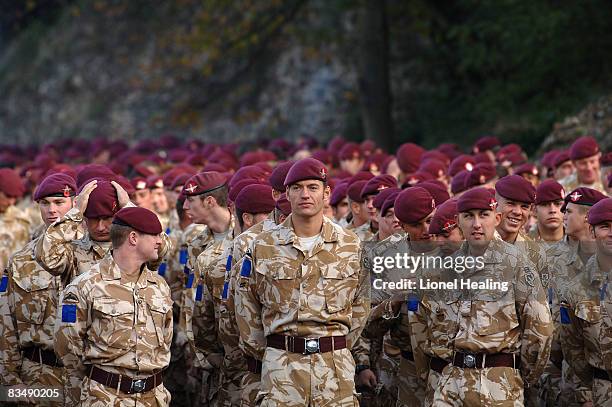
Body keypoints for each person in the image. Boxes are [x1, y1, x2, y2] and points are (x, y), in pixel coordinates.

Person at [235, 157, 370, 405]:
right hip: (282, 368)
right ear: (286, 193)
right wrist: (269, 353)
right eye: (296, 188)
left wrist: (337, 345)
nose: (304, 194)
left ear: (326, 193)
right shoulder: (263, 245)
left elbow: (361, 303)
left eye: (312, 187)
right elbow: (246, 306)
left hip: (334, 369)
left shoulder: (350, 245)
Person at [413, 187, 553, 405]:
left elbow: (540, 329)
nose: (476, 224)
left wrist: (516, 375)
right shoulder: (442, 270)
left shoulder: (517, 263)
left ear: (497, 218)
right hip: (450, 384)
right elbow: (423, 328)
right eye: (468, 216)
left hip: (497, 385)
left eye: (483, 215)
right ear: (458, 220)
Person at [54, 207, 173, 406]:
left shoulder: (159, 286)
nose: (160, 241)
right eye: (154, 235)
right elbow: (67, 348)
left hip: (153, 398)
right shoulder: (85, 286)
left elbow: (166, 339)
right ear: (133, 238)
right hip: (105, 397)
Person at [0, 173, 76, 406]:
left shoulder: (95, 253)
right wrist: (10, 381)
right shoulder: (21, 260)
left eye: (59, 202)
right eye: (45, 203)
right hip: (39, 375)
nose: (51, 210)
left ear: (75, 203)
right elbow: (6, 321)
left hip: (85, 377)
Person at [560, 198, 612, 407]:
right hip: (602, 392)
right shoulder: (576, 288)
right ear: (592, 232)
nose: (611, 233)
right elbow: (572, 349)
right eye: (604, 227)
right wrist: (586, 394)